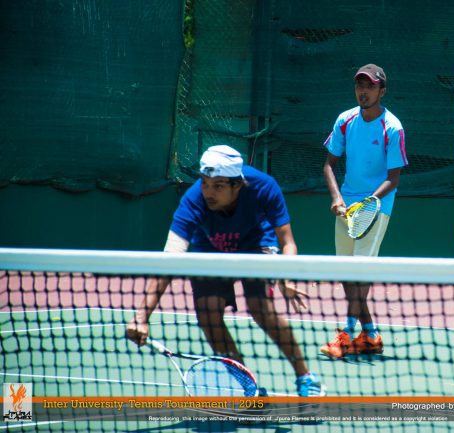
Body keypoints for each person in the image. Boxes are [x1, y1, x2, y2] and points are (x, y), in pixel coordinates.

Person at [126, 145, 325, 397]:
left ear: (237, 185)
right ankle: (247, 385)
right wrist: (141, 317)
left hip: (256, 244)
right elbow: (169, 260)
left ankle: (305, 376)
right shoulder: (193, 200)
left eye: (218, 186)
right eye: (205, 183)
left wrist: (287, 276)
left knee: (260, 309)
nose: (209, 192)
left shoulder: (264, 186)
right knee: (208, 313)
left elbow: (288, 242)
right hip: (209, 249)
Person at [321, 64, 408, 358]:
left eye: (370, 86)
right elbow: (328, 164)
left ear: (382, 91)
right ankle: (370, 335)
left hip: (377, 207)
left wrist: (368, 203)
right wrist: (337, 198)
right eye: (360, 85)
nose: (364, 91)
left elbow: (393, 178)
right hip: (346, 206)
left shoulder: (393, 128)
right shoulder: (345, 120)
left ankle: (345, 335)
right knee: (348, 274)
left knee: (359, 273)